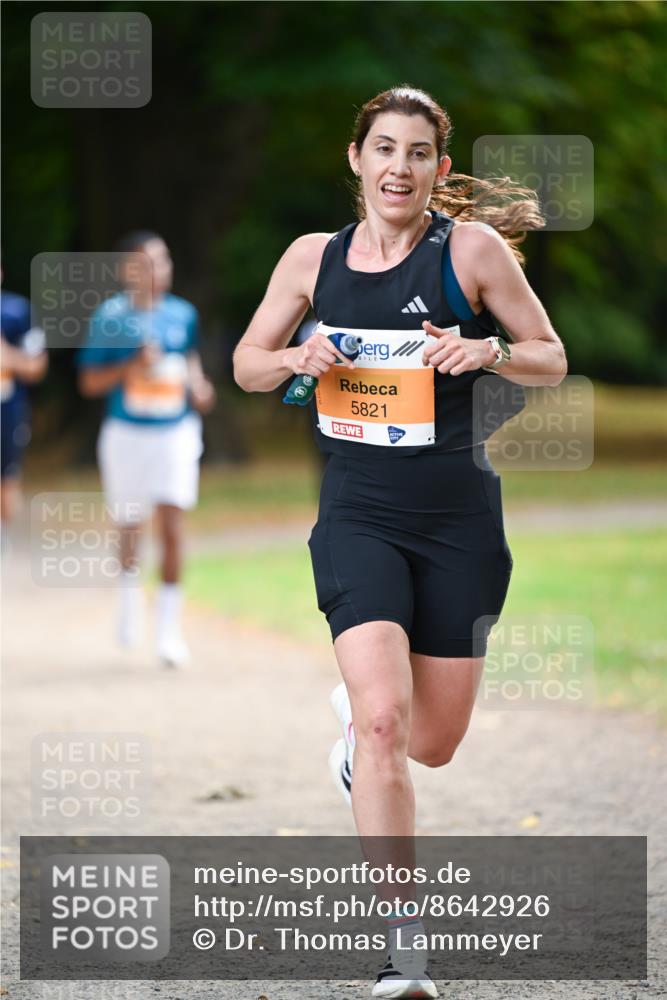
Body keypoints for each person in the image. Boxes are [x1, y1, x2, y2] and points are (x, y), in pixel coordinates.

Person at [233, 86, 567, 998]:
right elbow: (246, 364)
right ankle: (404, 951)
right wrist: (296, 359)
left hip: (458, 522)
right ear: (356, 158)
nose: (398, 167)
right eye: (384, 148)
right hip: (357, 516)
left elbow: (550, 353)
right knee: (385, 718)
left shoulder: (470, 252)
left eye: (417, 153)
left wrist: (486, 351)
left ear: (439, 170)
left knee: (431, 742)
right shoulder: (312, 259)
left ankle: (355, 740)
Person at [77, 232, 215, 667]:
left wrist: (198, 386)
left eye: (163, 260)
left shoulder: (183, 314)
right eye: (147, 262)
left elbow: (189, 359)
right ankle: (129, 600)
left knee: (172, 522)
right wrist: (130, 366)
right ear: (127, 271)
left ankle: (169, 632)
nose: (158, 270)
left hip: (175, 432)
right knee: (130, 523)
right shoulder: (110, 318)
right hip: (126, 434)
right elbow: (89, 382)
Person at [1, 273, 48, 531]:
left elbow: (37, 366)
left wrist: (7, 355)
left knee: (6, 480)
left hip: (8, 412)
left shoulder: (17, 311)